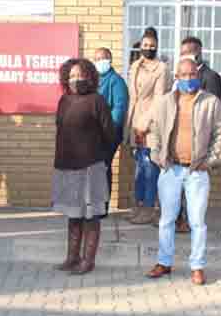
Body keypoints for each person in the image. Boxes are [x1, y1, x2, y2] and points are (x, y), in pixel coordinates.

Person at [143, 58, 221, 285]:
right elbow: (155, 131)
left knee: (197, 221)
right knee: (166, 219)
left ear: (198, 76)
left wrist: (209, 161)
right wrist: (156, 155)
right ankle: (164, 262)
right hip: (171, 168)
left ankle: (197, 266)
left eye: (192, 75)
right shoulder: (165, 102)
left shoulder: (210, 102)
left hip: (197, 170)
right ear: (176, 77)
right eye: (184, 75)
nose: (188, 79)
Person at [52, 58, 115, 275]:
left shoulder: (97, 101)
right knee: (73, 215)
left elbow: (110, 135)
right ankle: (72, 257)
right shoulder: (64, 101)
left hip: (91, 168)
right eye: (71, 76)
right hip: (67, 167)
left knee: (91, 216)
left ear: (90, 76)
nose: (76, 80)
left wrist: (102, 162)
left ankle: (88, 261)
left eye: (80, 75)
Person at [170, 36, 221, 234]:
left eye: (189, 51)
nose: (186, 55)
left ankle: (187, 221)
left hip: (199, 151)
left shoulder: (210, 77)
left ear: (199, 52)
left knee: (194, 199)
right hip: (177, 153)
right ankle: (177, 219)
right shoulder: (179, 77)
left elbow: (215, 118)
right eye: (183, 51)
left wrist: (210, 157)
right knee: (177, 194)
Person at [126, 27, 172, 225]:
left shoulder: (161, 69)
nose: (148, 48)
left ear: (157, 46)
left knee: (150, 168)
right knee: (139, 166)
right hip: (134, 121)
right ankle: (139, 205)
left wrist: (145, 122)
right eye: (145, 45)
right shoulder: (135, 65)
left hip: (151, 124)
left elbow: (160, 99)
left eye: (152, 46)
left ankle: (150, 208)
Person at [93, 47, 128, 197]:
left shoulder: (116, 81)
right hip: (95, 132)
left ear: (110, 60)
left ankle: (103, 205)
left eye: (103, 58)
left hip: (110, 132)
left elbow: (119, 108)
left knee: (103, 166)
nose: (100, 62)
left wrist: (108, 129)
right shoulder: (93, 80)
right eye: (97, 59)